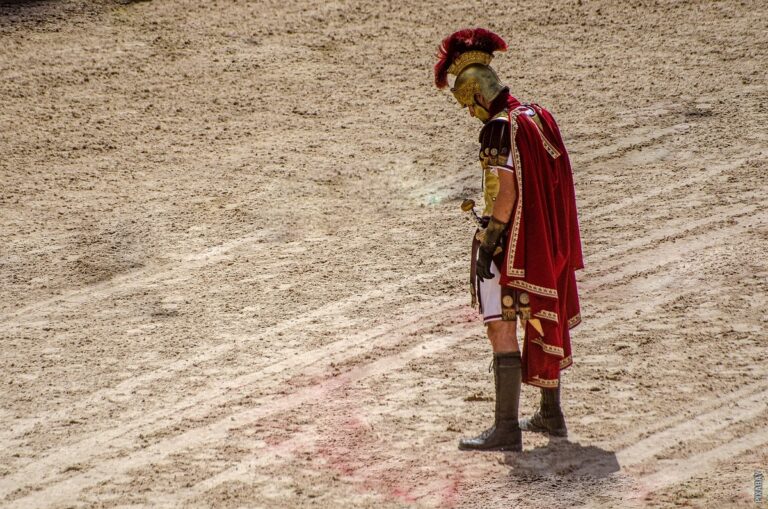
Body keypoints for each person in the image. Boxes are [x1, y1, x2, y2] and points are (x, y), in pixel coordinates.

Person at [434, 28, 584, 451]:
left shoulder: (499, 129)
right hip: (546, 242)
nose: (470, 114)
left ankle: (505, 430)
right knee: (540, 316)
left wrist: (491, 240)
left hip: (515, 248)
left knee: (502, 327)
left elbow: (506, 192)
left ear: (479, 94)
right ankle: (551, 414)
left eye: (468, 105)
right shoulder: (537, 116)